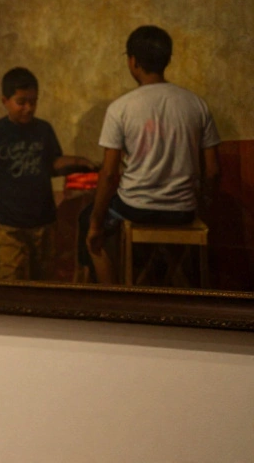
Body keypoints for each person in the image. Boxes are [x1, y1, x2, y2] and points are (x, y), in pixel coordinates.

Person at [83, 26, 222, 285]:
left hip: (137, 209)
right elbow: (213, 171)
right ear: (167, 60)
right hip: (183, 211)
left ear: (133, 61)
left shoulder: (120, 108)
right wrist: (201, 206)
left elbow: (110, 174)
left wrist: (95, 223)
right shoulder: (196, 105)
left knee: (87, 221)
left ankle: (113, 298)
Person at [0, 68, 93, 281]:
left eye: (33, 102)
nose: (28, 108)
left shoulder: (44, 130)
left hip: (44, 223)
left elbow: (53, 165)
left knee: (42, 284)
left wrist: (80, 163)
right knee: (10, 283)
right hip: (9, 229)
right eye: (21, 102)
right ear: (5, 100)